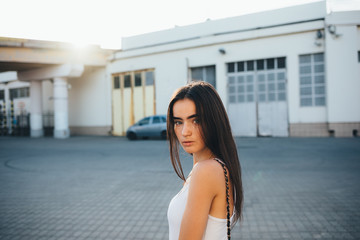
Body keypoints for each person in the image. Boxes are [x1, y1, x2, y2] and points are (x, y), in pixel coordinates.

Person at [167, 81, 243, 240]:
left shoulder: (207, 171)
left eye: (196, 120)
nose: (184, 132)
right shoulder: (214, 167)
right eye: (178, 122)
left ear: (214, 121)